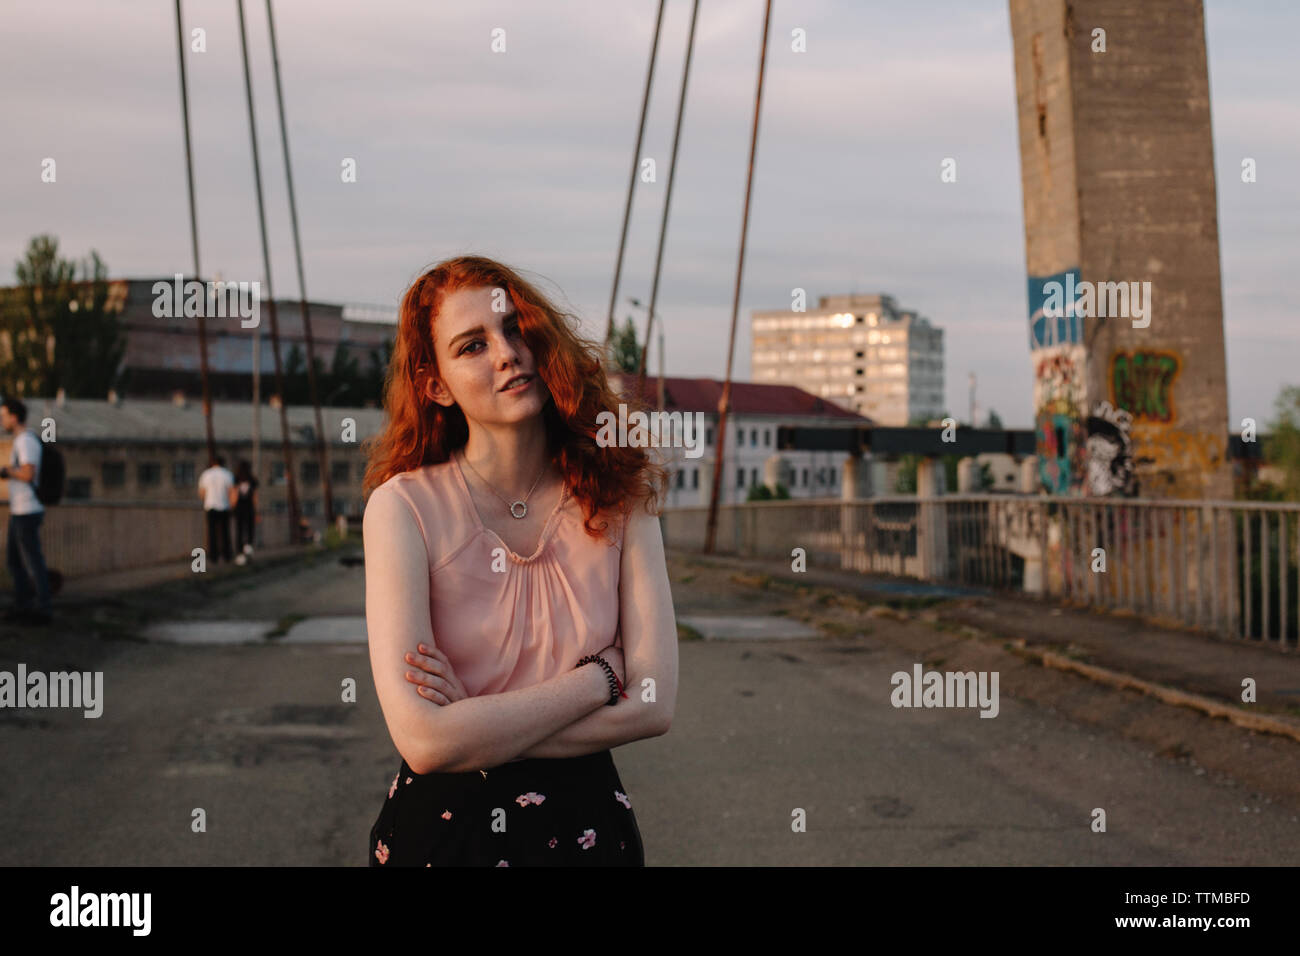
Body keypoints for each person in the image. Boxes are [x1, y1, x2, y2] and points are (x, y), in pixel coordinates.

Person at [361, 255, 678, 866]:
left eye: (514, 329)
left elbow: (657, 705)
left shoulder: (620, 493)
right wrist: (601, 679)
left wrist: (474, 725)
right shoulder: (402, 509)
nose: (506, 354)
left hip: (588, 836)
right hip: (447, 839)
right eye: (472, 345)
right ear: (435, 385)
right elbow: (425, 741)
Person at [1, 397, 52, 626]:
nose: (2, 420)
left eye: (3, 416)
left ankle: (42, 608)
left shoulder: (25, 441)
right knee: (14, 560)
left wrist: (7, 471)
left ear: (14, 416)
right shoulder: (22, 440)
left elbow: (29, 474)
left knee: (33, 561)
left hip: (28, 510)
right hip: (20, 510)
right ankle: (23, 604)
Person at [197, 454, 236, 565]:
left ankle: (213, 556)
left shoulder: (206, 474)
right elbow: (232, 492)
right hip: (224, 506)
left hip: (210, 506)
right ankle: (227, 555)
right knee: (225, 532)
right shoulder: (227, 474)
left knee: (211, 532)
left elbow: (201, 492)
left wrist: (206, 499)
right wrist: (232, 506)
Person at [232, 459, 260, 565]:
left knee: (239, 531)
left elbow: (234, 495)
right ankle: (248, 549)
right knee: (249, 530)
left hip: (239, 509)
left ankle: (240, 554)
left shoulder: (236, 479)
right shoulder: (253, 480)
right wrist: (256, 511)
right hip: (250, 509)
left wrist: (232, 506)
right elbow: (255, 497)